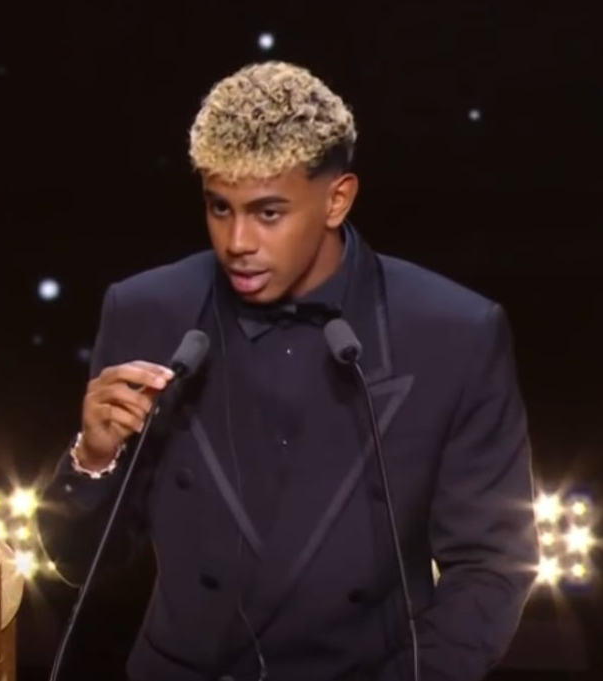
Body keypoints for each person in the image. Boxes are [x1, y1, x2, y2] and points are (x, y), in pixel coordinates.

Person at [39, 61, 539, 681]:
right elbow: (83, 563)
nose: (237, 242)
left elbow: (492, 567)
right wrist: (92, 459)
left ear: (337, 200)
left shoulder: (453, 334)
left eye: (268, 213)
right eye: (219, 208)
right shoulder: (146, 311)